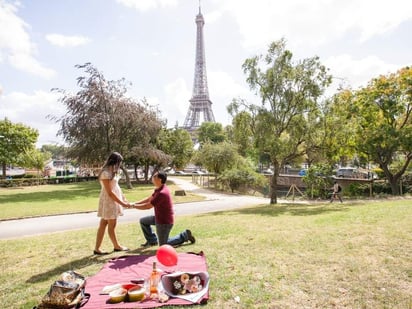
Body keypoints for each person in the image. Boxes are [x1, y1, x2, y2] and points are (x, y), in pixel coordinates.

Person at [129, 170, 195, 247]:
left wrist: (133, 206)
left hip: (164, 222)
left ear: (159, 179)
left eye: (154, 176)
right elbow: (148, 199)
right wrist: (134, 203)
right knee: (143, 221)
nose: (152, 177)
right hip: (159, 218)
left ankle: (185, 235)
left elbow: (148, 206)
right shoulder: (159, 189)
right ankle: (152, 241)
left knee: (163, 245)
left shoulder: (162, 193)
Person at [94, 152, 131, 255]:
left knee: (104, 223)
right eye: (119, 162)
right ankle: (116, 246)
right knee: (110, 224)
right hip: (109, 201)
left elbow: (116, 187)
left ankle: (97, 248)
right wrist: (122, 203)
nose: (119, 165)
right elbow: (109, 192)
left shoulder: (113, 172)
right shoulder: (105, 173)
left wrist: (124, 199)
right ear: (115, 161)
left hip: (114, 199)